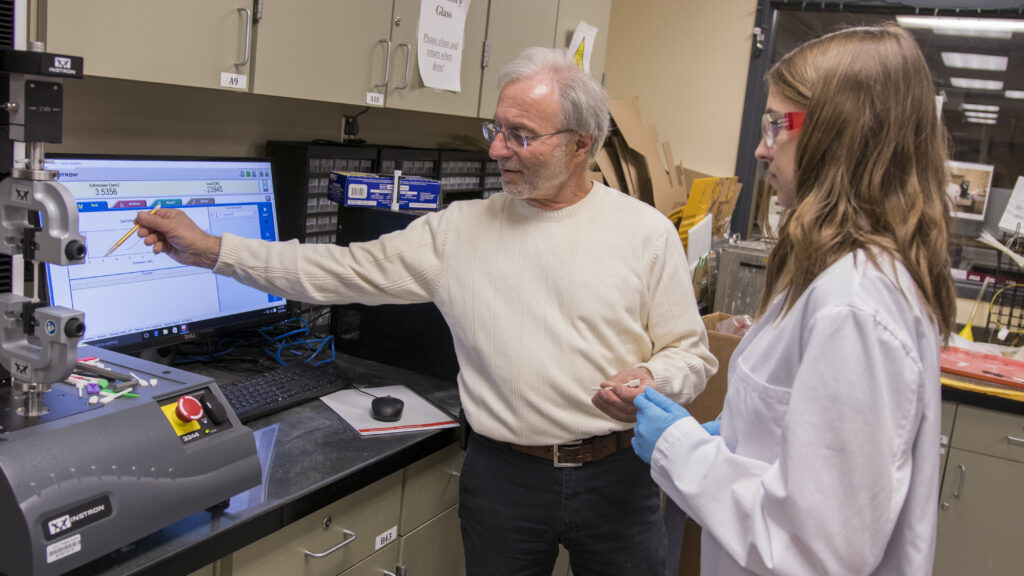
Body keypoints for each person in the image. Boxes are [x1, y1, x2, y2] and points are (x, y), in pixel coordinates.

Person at [134, 46, 716, 575]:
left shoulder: (644, 232)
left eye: (519, 135)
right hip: (504, 479)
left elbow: (689, 353)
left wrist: (651, 378)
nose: (495, 149)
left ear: (580, 144)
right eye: (496, 128)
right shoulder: (457, 233)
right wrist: (213, 250)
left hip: (618, 472)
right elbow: (335, 270)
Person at [631, 25, 956, 576]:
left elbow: (813, 547)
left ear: (840, 133)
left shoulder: (856, 304)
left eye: (776, 125)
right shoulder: (839, 275)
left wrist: (681, 449)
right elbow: (809, 456)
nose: (760, 148)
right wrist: (732, 437)